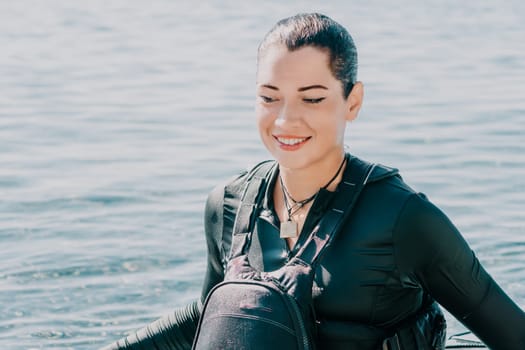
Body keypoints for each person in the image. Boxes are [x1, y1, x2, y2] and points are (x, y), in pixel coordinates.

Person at [103, 13, 525, 350]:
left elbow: (510, 333)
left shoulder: (403, 218)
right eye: (269, 97)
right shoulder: (227, 205)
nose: (285, 119)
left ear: (352, 101)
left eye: (313, 98)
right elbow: (211, 318)